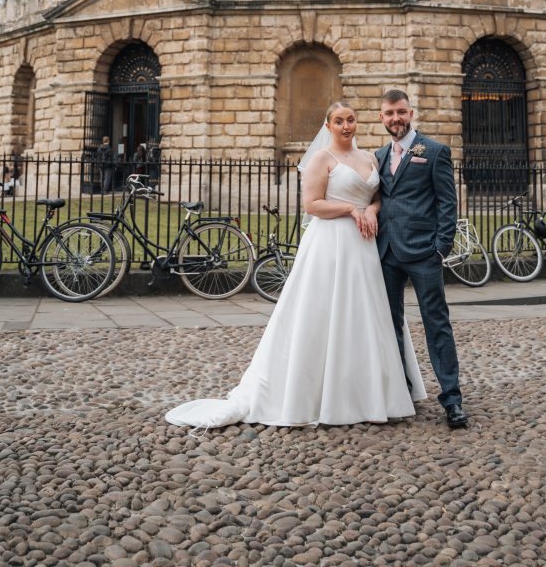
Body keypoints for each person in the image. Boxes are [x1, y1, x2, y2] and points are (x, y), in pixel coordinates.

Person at [165, 102, 426, 429]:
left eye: (351, 120)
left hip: (364, 246)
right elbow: (312, 204)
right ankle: (321, 394)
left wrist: (370, 211)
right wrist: (350, 210)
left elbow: (376, 197)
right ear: (328, 125)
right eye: (339, 121)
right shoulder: (321, 159)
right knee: (323, 312)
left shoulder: (369, 158)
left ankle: (372, 392)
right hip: (332, 242)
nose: (346, 126)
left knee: (367, 313)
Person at [376, 89, 468, 429]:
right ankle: (402, 393)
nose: (395, 118)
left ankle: (452, 399)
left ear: (410, 113)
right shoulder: (378, 155)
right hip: (386, 254)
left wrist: (441, 246)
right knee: (390, 326)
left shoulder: (433, 151)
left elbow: (448, 202)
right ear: (382, 118)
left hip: (424, 253)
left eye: (400, 112)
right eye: (389, 113)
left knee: (437, 324)